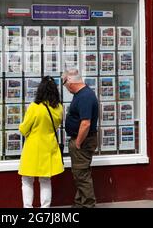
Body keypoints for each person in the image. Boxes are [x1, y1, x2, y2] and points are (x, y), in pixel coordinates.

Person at [18, 76, 64, 208]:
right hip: (50, 147)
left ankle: (28, 208)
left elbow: (23, 129)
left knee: (27, 180)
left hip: (33, 147)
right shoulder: (59, 108)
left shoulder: (34, 107)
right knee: (45, 180)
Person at [62, 69, 98, 208]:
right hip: (82, 140)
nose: (66, 87)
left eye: (65, 84)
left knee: (82, 175)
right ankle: (79, 204)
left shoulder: (85, 96)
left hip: (82, 141)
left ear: (70, 81)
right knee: (80, 174)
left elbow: (86, 123)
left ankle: (88, 205)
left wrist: (77, 143)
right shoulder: (81, 94)